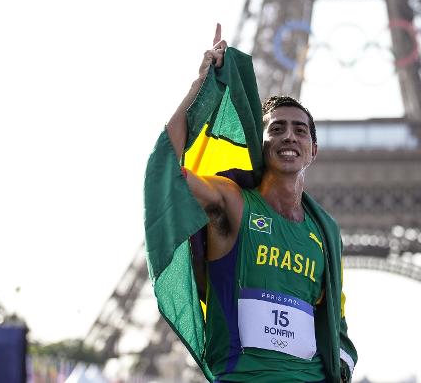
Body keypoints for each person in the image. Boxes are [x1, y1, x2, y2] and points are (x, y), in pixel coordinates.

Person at [148, 24, 357, 383]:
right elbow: (171, 171)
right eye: (276, 129)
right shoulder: (233, 203)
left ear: (313, 150)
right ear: (261, 145)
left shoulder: (324, 233)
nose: (288, 135)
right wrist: (199, 89)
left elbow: (333, 317)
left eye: (299, 130)